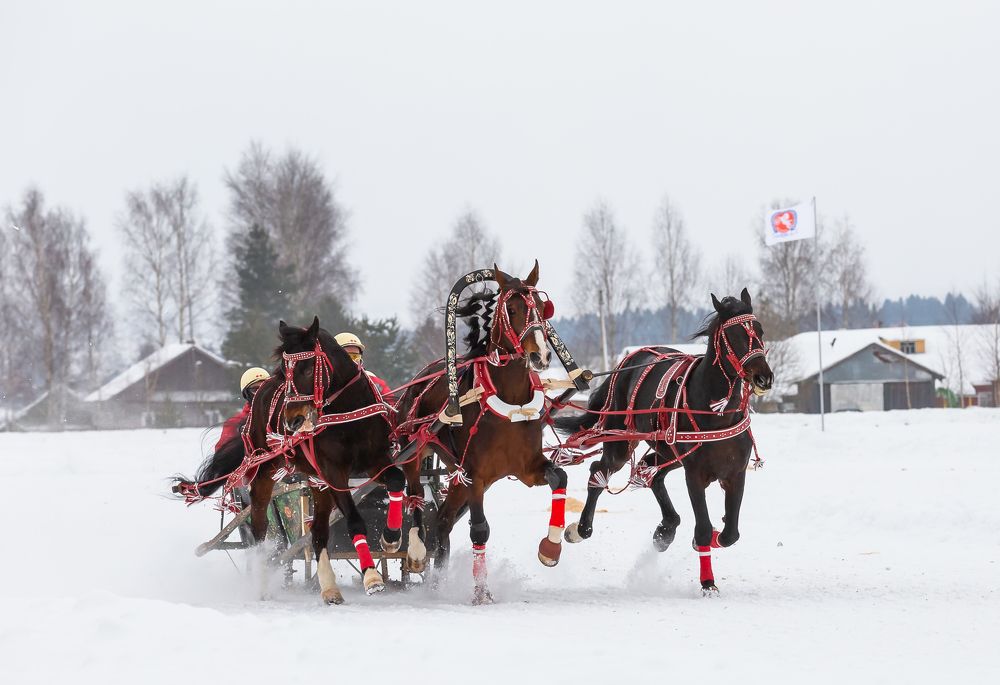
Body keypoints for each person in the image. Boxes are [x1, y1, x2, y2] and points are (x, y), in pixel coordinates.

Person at [214, 367, 269, 452]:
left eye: (264, 388)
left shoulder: (283, 418)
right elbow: (222, 456)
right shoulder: (235, 423)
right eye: (255, 389)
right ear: (246, 394)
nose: (261, 393)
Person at [334, 332, 394, 404]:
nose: (353, 361)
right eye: (348, 356)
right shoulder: (324, 382)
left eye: (355, 356)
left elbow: (392, 406)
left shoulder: (372, 381)